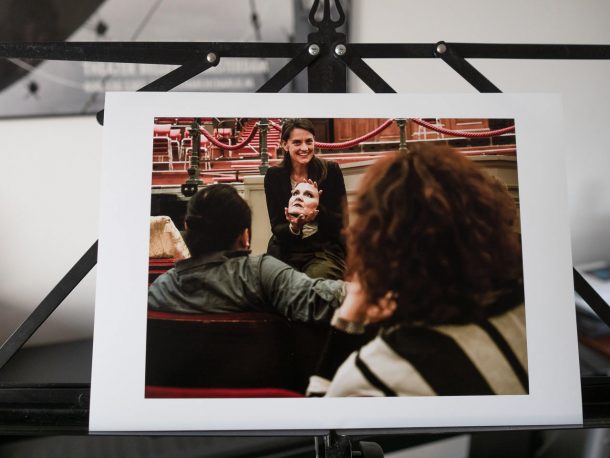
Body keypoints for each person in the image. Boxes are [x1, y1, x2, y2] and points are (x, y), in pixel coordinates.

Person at [308, 143, 528, 397]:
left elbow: (323, 429)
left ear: (380, 250)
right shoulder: (532, 318)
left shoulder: (372, 374)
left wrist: (347, 318)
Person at [148, 184, 346, 323]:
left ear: (187, 228)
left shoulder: (160, 289)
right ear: (245, 236)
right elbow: (330, 299)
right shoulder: (261, 274)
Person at [264, 118, 347, 280]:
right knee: (276, 284)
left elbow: (341, 223)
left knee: (311, 284)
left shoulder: (331, 171)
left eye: (309, 142)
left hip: (323, 250)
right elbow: (276, 226)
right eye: (297, 143)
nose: (304, 148)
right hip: (286, 249)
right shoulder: (273, 176)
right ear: (284, 145)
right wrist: (294, 227)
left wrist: (316, 208)